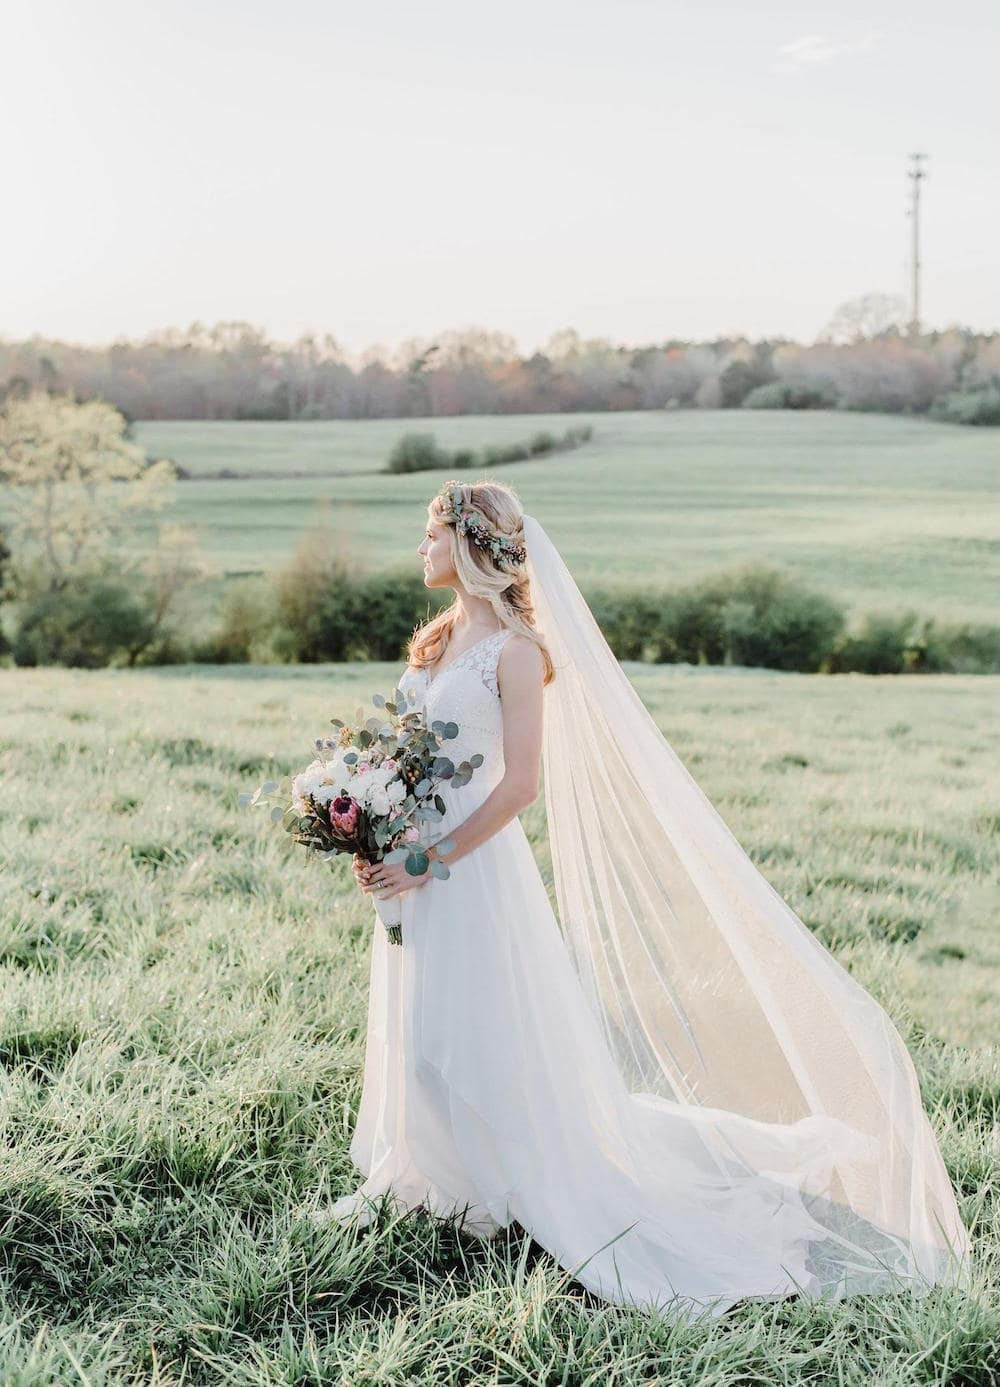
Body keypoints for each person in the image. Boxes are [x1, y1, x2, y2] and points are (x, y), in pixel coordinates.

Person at [330, 478, 971, 1319]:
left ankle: (515, 1179)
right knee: (421, 1030)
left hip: (470, 872)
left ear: (470, 545)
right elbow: (408, 756)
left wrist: (429, 856)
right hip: (413, 864)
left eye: (430, 533)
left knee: (474, 1025)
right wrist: (371, 828)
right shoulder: (439, 638)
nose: (419, 548)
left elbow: (520, 785)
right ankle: (441, 1174)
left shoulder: (518, 653)